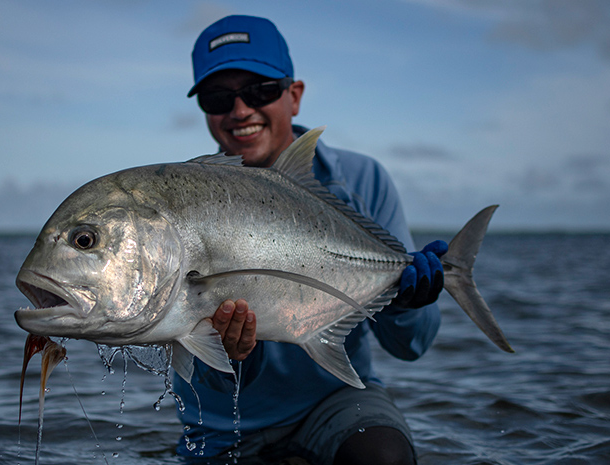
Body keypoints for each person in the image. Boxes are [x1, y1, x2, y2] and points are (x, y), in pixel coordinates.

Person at [173, 15, 448, 465]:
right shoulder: (185, 201)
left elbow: (412, 347)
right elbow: (199, 366)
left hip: (336, 403)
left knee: (384, 457)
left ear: (294, 96)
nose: (240, 110)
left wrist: (403, 303)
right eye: (219, 97)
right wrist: (232, 354)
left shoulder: (362, 181)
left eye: (261, 90)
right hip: (226, 427)